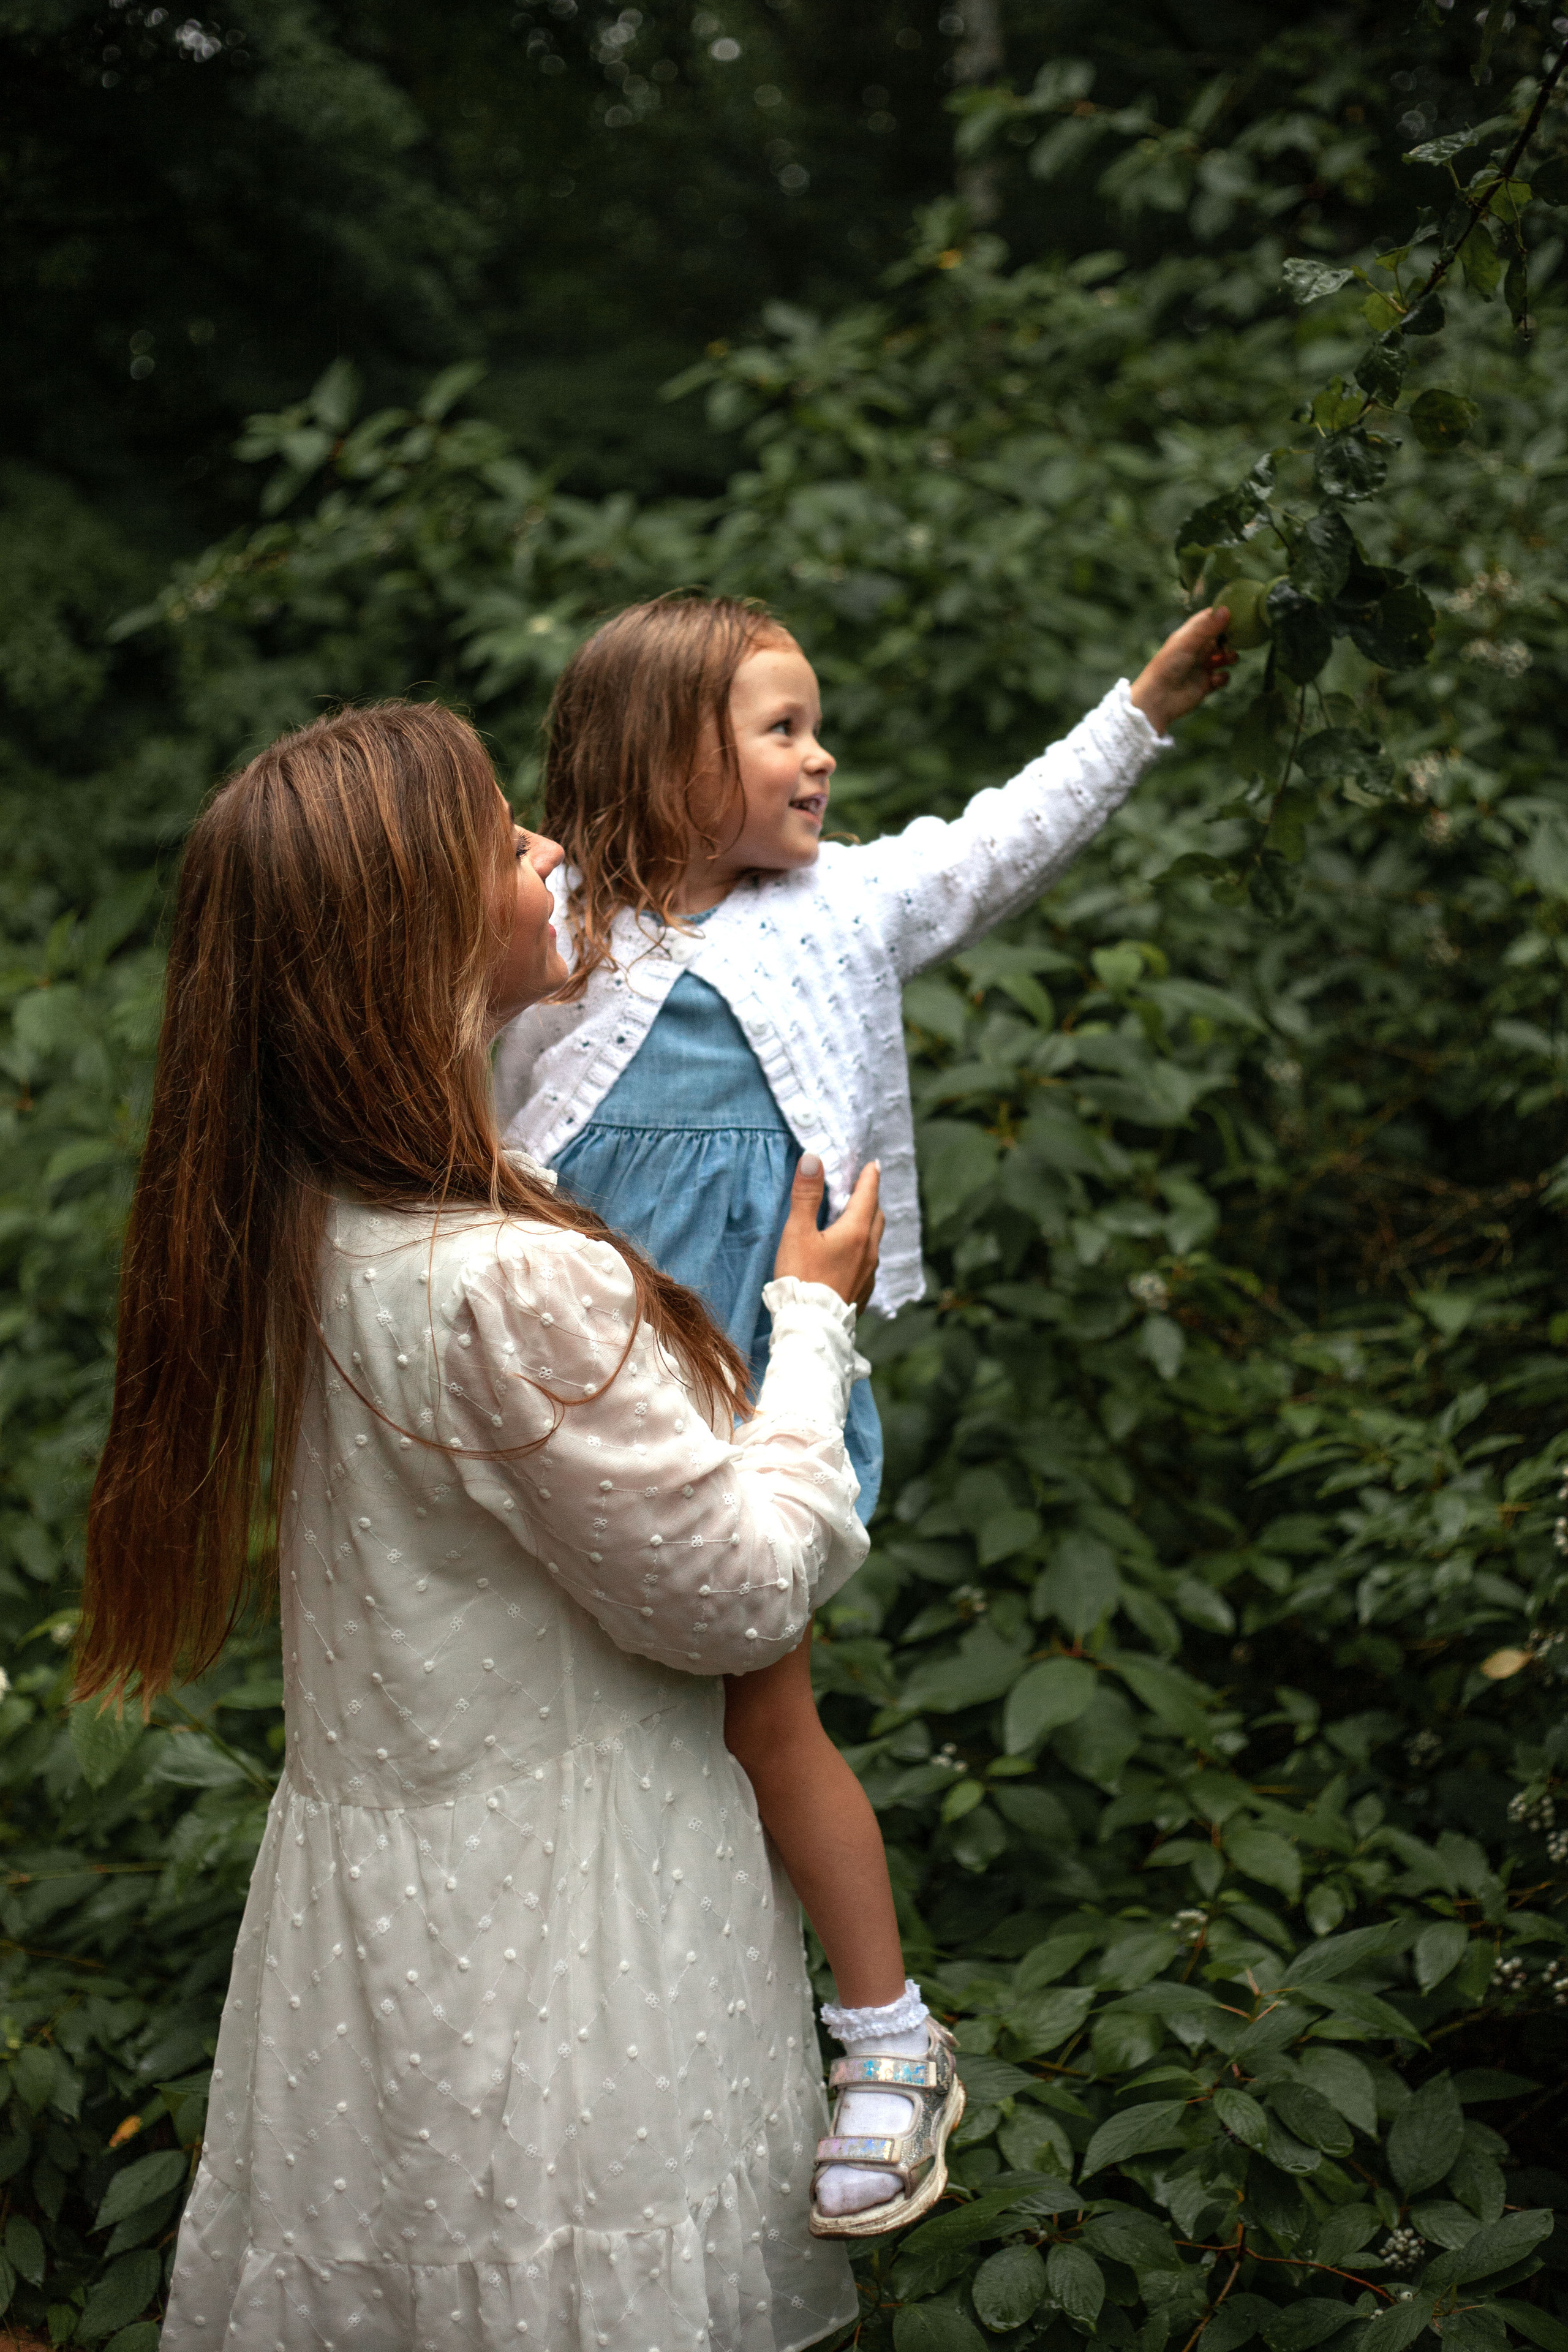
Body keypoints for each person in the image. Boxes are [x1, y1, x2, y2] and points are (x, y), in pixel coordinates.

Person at [77, 700, 902, 2352]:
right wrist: (813, 1324)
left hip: (392, 1941)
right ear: (417, 934)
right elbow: (741, 1595)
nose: (549, 855)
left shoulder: (316, 1228)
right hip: (571, 1957)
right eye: (506, 838)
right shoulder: (512, 1280)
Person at [492, 591, 1234, 2228]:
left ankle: (890, 2042)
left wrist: (1146, 707)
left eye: (814, 725)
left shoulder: (835, 912)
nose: (820, 756)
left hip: (761, 1398)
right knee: (583, 1737)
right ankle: (596, 2053)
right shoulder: (546, 949)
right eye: (780, 729)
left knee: (767, 1719)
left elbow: (989, 847)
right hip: (567, 1402)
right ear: (661, 760)